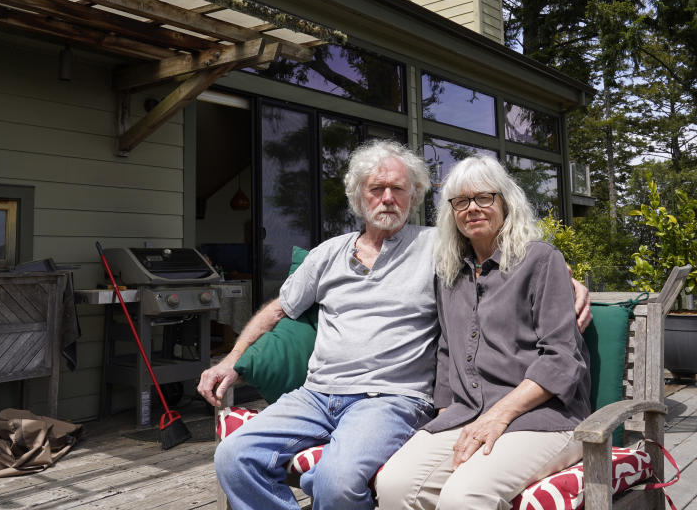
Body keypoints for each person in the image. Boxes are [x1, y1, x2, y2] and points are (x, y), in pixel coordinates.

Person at [198, 141, 590, 510]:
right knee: (233, 456)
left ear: (415, 196)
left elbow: (509, 254)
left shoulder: (439, 247)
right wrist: (232, 359)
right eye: (377, 189)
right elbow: (278, 310)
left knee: (338, 481)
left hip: (390, 399)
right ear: (358, 197)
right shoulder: (327, 254)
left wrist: (568, 280)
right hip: (316, 394)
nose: (387, 198)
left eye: (398, 189)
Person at [376, 155, 592, 510]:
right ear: (452, 213)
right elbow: (447, 351)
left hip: (546, 419)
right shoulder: (449, 272)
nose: (472, 208)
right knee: (395, 485)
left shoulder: (540, 260)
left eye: (484, 197)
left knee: (464, 497)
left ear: (505, 202)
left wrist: (499, 414)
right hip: (469, 413)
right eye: (461, 201)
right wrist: (446, 415)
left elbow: (561, 359)